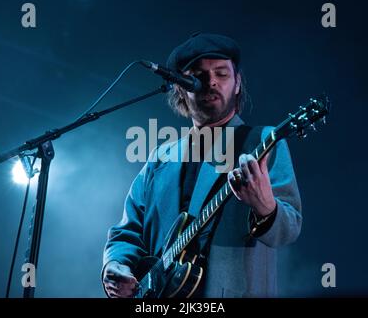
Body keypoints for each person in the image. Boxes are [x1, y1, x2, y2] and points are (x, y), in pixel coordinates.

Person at [102, 33, 302, 298]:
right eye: (198, 75)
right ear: (180, 87)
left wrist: (266, 208)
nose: (211, 83)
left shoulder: (262, 142)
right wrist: (116, 265)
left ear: (238, 83)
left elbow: (288, 230)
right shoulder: (161, 157)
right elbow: (127, 232)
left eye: (222, 74)